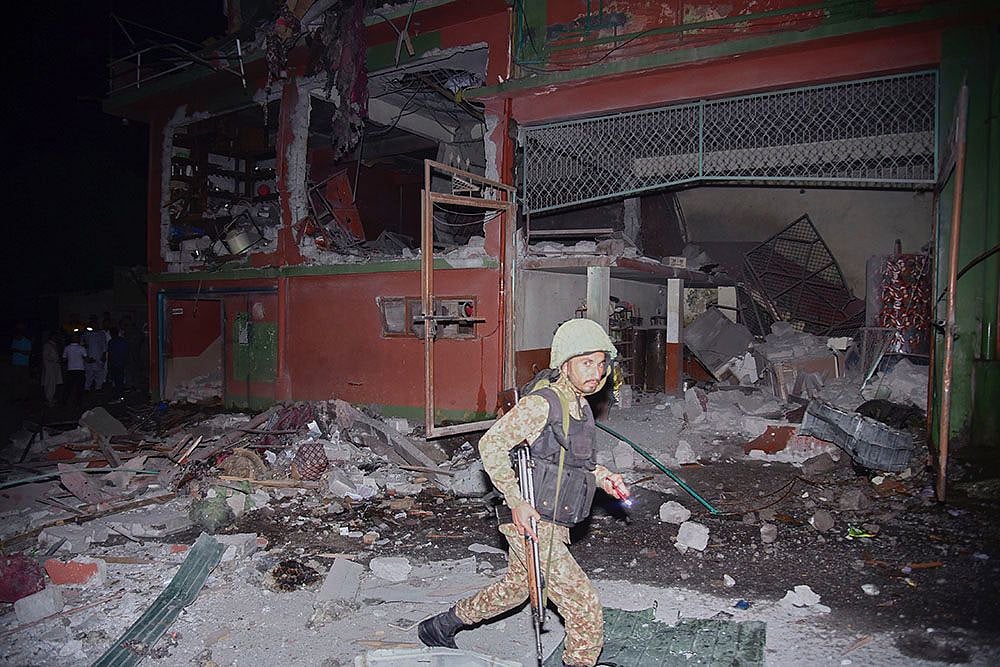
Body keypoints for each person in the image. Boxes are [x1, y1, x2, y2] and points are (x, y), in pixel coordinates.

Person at [418, 318, 629, 667]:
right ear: (565, 364)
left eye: (600, 362)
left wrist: (604, 478)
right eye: (586, 362)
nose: (595, 371)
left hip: (553, 518)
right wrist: (516, 501)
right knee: (584, 604)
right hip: (533, 520)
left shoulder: (581, 405)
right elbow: (492, 444)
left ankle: (440, 627)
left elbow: (575, 464)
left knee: (516, 589)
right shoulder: (543, 404)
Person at [81, 315, 107, 391]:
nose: (94, 326)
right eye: (93, 324)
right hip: (89, 357)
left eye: (96, 324)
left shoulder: (101, 334)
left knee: (99, 373)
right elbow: (82, 344)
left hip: (99, 356)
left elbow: (104, 346)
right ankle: (87, 388)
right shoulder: (86, 334)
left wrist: (104, 355)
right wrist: (86, 357)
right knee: (89, 374)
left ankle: (98, 387)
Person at [62, 333, 87, 407]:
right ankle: (78, 403)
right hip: (80, 370)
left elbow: (64, 359)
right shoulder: (82, 348)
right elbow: (86, 358)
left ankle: (65, 401)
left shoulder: (67, 348)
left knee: (68, 387)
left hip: (71, 370)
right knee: (79, 387)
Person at [10, 323, 32, 400]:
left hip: (24, 364)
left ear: (20, 335)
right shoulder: (14, 340)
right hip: (15, 364)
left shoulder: (27, 342)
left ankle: (25, 396)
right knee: (15, 381)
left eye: (17, 336)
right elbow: (12, 349)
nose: (15, 337)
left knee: (24, 381)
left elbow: (28, 353)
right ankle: (16, 396)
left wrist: (18, 350)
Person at [41, 332, 63, 407]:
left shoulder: (54, 345)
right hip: (50, 368)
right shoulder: (47, 345)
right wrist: (55, 360)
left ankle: (51, 398)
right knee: (50, 384)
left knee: (53, 384)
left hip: (54, 367)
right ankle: (49, 399)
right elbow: (46, 356)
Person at [107, 327, 129, 393]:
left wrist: (109, 363)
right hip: (121, 362)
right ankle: (120, 391)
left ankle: (119, 392)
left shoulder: (111, 342)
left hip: (115, 363)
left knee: (117, 379)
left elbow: (110, 354)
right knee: (120, 378)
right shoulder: (122, 341)